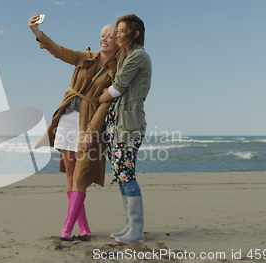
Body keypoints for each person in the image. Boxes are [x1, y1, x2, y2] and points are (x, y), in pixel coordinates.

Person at [28, 13, 118, 241]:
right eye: (102, 35)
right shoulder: (85, 58)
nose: (104, 39)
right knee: (70, 174)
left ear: (119, 41)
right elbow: (59, 51)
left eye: (109, 36)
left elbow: (104, 106)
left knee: (80, 176)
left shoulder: (116, 72)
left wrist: (91, 132)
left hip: (88, 125)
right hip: (66, 119)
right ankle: (84, 227)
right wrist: (37, 33)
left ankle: (66, 229)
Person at [98, 14, 152, 243]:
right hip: (118, 125)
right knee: (121, 176)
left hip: (128, 126)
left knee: (127, 175)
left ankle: (137, 230)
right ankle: (130, 226)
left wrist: (101, 96)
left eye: (121, 31)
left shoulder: (138, 56)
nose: (117, 35)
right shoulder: (127, 54)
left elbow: (116, 89)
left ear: (135, 33)